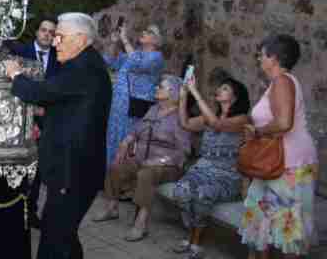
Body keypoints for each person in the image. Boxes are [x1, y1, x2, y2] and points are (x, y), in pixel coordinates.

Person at [5, 12, 111, 259]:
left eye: (60, 37)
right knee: (64, 236)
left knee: (55, 239)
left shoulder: (83, 68)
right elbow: (68, 103)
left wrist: (15, 74)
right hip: (74, 169)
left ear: (81, 39)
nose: (54, 43)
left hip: (73, 171)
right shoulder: (84, 64)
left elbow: (41, 91)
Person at [239, 34, 318, 257]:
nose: (258, 60)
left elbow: (284, 123)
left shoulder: (283, 81)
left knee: (287, 227)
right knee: (263, 219)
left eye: (261, 55)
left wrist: (257, 131)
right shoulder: (278, 83)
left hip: (290, 163)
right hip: (275, 161)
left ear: (273, 58)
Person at [93, 74, 192, 241]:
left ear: (173, 93)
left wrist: (160, 161)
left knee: (146, 174)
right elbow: (138, 129)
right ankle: (112, 207)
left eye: (161, 87)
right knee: (116, 166)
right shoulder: (154, 109)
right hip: (142, 159)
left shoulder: (179, 117)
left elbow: (184, 150)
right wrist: (126, 141)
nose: (156, 88)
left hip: (167, 165)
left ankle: (141, 223)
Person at [173, 76, 251, 259]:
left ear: (236, 96)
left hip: (228, 176)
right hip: (202, 169)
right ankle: (191, 235)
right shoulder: (209, 117)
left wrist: (195, 92)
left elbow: (218, 125)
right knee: (181, 191)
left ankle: (196, 244)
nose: (219, 90)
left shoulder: (242, 119)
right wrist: (184, 95)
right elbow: (185, 124)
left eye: (224, 88)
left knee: (202, 194)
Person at [7, 18, 60, 227]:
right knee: (16, 162)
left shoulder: (60, 57)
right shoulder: (20, 51)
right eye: (43, 30)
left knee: (37, 166)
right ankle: (12, 208)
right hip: (20, 115)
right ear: (37, 32)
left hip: (46, 117)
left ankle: (31, 212)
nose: (46, 34)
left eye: (51, 32)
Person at [104, 24, 165, 166]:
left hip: (136, 108)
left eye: (149, 31)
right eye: (144, 29)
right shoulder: (134, 53)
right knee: (113, 139)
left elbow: (139, 65)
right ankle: (109, 177)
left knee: (129, 142)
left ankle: (123, 181)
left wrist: (124, 39)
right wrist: (114, 42)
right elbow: (110, 61)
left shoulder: (156, 57)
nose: (143, 31)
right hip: (119, 107)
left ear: (156, 41)